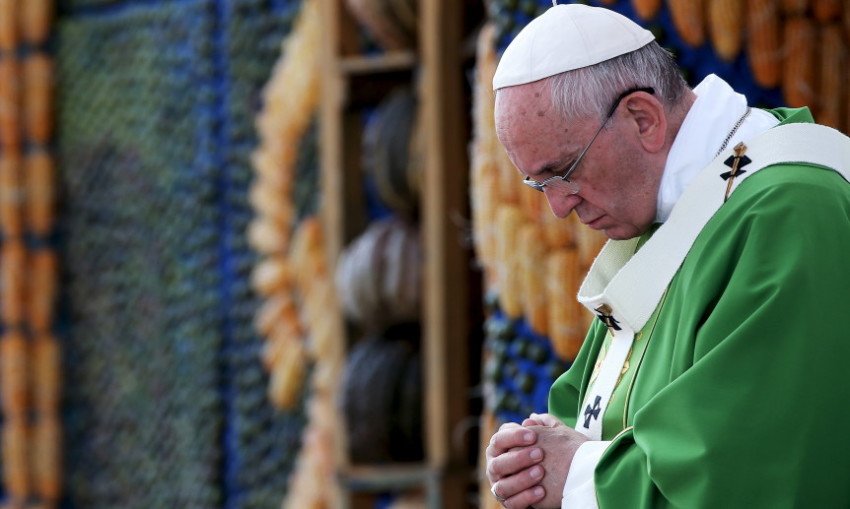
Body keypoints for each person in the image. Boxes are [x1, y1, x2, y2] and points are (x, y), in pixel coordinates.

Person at [484, 3, 850, 509]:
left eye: (565, 171)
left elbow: (755, 461)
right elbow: (584, 413)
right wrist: (530, 456)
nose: (558, 206)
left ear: (643, 117)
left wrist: (575, 476)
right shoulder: (662, 213)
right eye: (539, 184)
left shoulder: (791, 208)